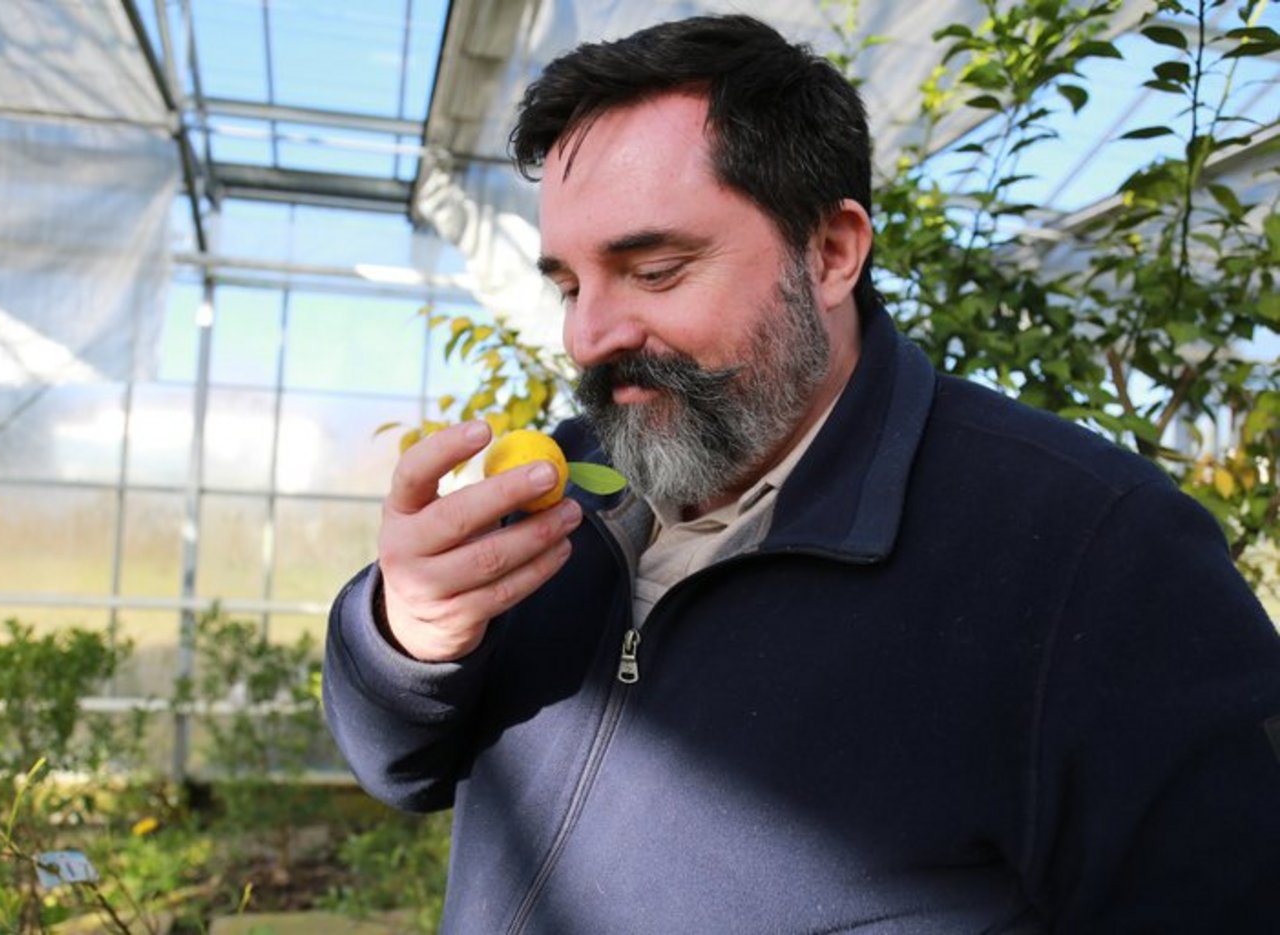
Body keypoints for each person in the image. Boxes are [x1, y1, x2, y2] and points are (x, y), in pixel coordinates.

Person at [323, 14, 1280, 933]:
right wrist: (405, 638)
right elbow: (404, 764)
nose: (587, 335)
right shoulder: (565, 486)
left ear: (830, 252)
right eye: (570, 284)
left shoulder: (1100, 559)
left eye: (654, 269)